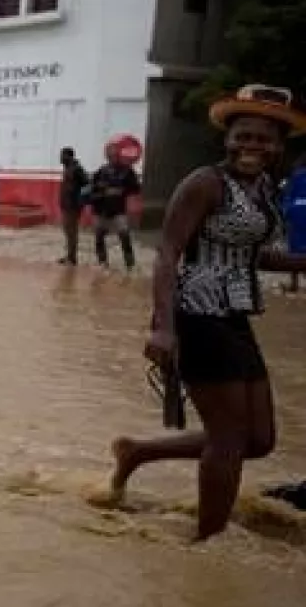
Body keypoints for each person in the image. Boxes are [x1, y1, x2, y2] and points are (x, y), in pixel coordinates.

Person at [107, 85, 306, 541]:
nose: (252, 146)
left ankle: (136, 452)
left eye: (264, 139)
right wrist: (162, 327)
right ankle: (207, 544)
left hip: (236, 314)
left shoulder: (260, 191)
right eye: (244, 135)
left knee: (259, 440)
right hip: (196, 313)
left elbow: (257, 257)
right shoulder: (205, 182)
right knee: (229, 439)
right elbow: (168, 252)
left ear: (278, 146)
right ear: (228, 138)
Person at [90, 142, 141, 269]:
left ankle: (130, 264)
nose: (112, 156)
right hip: (101, 210)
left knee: (124, 236)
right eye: (109, 154)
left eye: (114, 154)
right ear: (106, 156)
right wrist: (102, 192)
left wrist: (122, 190)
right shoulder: (100, 172)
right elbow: (91, 190)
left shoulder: (127, 171)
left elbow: (136, 188)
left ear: (119, 154)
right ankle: (102, 262)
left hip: (118, 210)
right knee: (99, 237)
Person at [57, 147, 90, 265]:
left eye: (62, 155)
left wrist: (81, 200)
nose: (60, 158)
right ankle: (69, 256)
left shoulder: (77, 169)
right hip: (66, 205)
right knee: (68, 231)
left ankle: (72, 258)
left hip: (73, 206)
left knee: (71, 231)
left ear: (69, 156)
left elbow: (87, 184)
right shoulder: (68, 168)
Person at [279, 153, 306, 293]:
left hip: (297, 212)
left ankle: (294, 284)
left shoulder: (296, 175)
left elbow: (287, 193)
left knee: (295, 248)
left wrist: (285, 211)